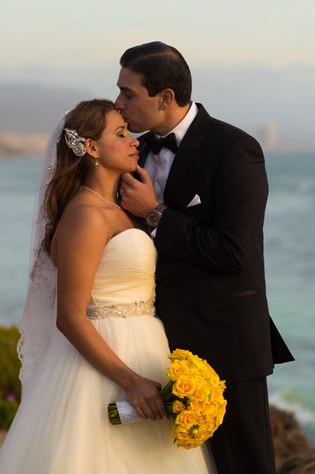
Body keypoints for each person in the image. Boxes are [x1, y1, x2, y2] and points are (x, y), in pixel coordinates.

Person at [0, 100, 213, 473]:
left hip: (148, 347)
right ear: (92, 148)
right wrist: (130, 381)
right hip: (105, 364)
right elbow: (69, 316)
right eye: (120, 133)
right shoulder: (85, 215)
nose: (134, 141)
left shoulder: (120, 210)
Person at [115, 41, 294, 474]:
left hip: (225, 346)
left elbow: (235, 252)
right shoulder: (129, 152)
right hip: (151, 346)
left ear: (165, 98)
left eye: (128, 93)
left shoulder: (235, 149)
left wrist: (154, 213)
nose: (119, 105)